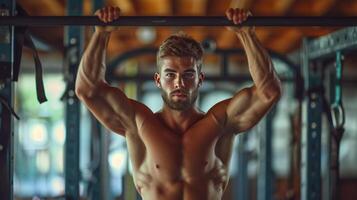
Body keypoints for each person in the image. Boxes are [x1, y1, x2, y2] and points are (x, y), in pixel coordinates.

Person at [75, 6, 282, 200]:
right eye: (170, 74)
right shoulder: (138, 122)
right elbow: (88, 89)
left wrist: (247, 34)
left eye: (188, 74)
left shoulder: (221, 123)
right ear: (158, 80)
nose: (179, 83)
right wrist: (101, 34)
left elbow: (268, 92)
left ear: (200, 79)